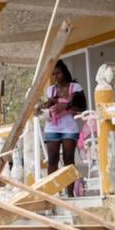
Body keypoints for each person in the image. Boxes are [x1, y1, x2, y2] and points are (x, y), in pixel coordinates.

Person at [40, 60, 87, 195]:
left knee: (69, 160)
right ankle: (52, 193)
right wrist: (46, 105)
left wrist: (65, 106)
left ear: (64, 72)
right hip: (52, 127)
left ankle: (70, 193)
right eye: (53, 75)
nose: (56, 77)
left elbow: (82, 106)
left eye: (58, 73)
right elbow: (49, 108)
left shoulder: (75, 87)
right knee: (52, 160)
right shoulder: (51, 90)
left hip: (69, 128)